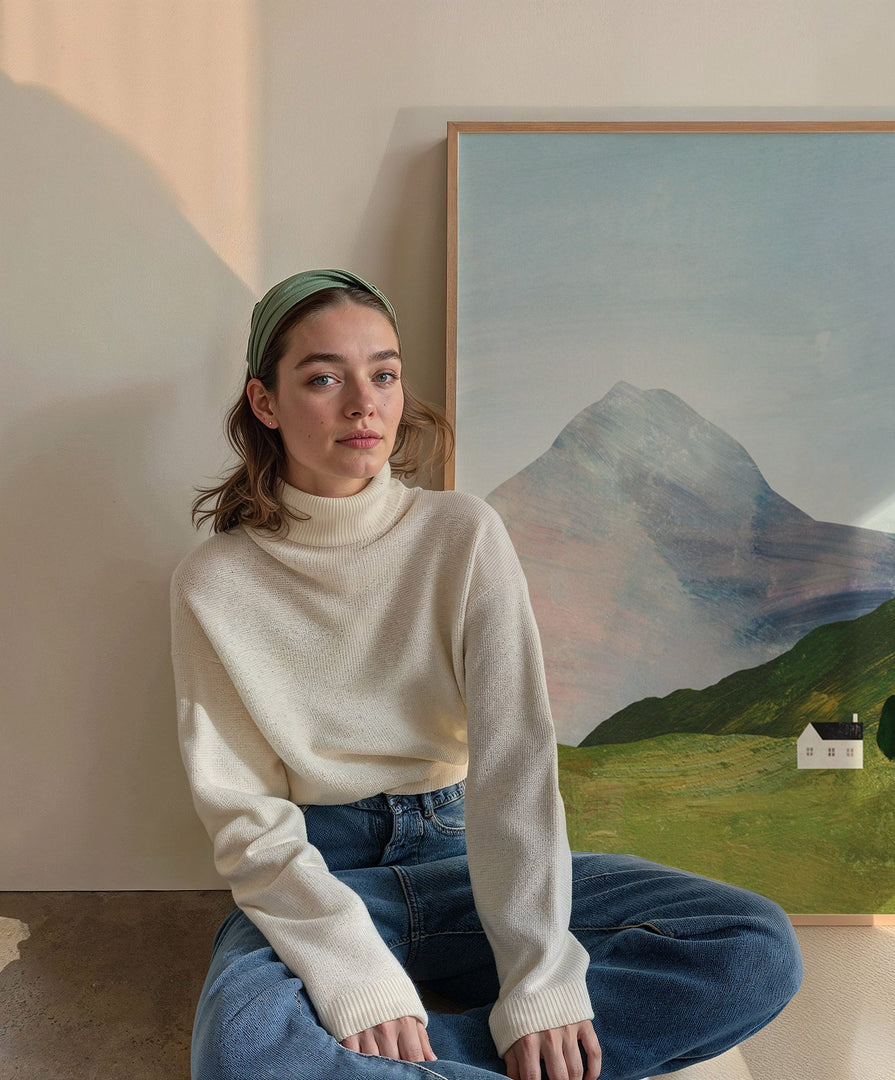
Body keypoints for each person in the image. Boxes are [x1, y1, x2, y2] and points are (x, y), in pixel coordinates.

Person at [172, 269, 802, 1080]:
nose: (365, 404)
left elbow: (516, 760)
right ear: (265, 402)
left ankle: (424, 1061)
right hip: (320, 877)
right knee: (241, 1052)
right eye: (325, 377)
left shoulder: (461, 534)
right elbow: (245, 814)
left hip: (466, 858)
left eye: (385, 374)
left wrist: (541, 979)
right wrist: (357, 977)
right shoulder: (214, 582)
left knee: (753, 948)